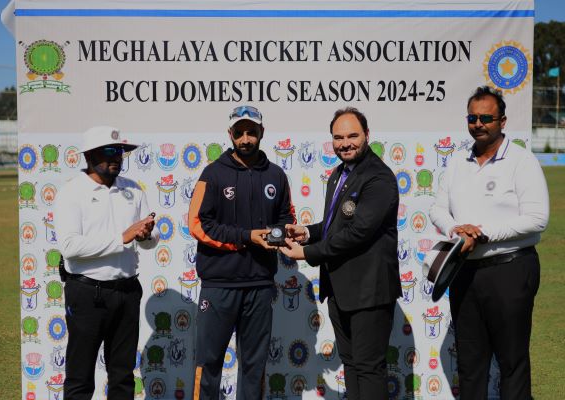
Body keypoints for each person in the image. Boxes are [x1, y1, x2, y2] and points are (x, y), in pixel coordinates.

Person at [429, 86, 549, 399]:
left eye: (486, 117)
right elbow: (437, 209)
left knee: (512, 363)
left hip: (510, 270)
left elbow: (538, 218)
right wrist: (457, 229)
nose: (479, 123)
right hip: (464, 272)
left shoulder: (521, 161)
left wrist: (481, 233)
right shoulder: (457, 162)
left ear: (503, 121)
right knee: (470, 365)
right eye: (473, 117)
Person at [280, 107, 401, 400]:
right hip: (342, 291)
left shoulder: (378, 178)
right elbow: (337, 225)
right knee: (352, 365)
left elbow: (358, 233)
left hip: (370, 292)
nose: (345, 143)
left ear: (367, 135)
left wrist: (307, 252)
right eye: (338, 137)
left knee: (369, 368)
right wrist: (307, 232)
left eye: (352, 136)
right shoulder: (340, 174)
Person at [188, 105, 295, 399]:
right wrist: (246, 237)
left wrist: (279, 234)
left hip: (259, 286)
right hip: (219, 286)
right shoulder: (212, 174)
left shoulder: (276, 175)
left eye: (251, 132)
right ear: (230, 134)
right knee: (207, 365)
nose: (245, 139)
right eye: (239, 133)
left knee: (254, 367)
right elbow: (197, 224)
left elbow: (287, 218)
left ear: (262, 133)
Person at [55, 126, 158, 400]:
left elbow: (150, 240)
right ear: (89, 156)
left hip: (126, 291)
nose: (117, 157)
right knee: (80, 378)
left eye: (121, 152)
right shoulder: (71, 192)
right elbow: (69, 247)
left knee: (123, 377)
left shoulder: (134, 190)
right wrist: (122, 237)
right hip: (87, 294)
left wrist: (146, 235)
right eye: (109, 151)